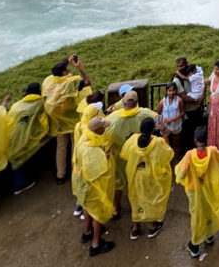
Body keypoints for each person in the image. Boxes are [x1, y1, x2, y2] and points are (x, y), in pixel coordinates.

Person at [175, 125, 219, 258]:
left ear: (195, 140)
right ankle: (209, 236)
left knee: (196, 216)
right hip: (208, 188)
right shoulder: (212, 151)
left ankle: (194, 246)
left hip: (193, 191)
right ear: (207, 139)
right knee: (208, 211)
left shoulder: (189, 155)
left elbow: (181, 174)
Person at [105, 90, 157, 219]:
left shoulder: (113, 118)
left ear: (123, 102)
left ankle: (116, 208)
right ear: (137, 101)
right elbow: (160, 121)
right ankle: (140, 208)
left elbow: (102, 134)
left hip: (119, 155)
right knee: (138, 181)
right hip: (139, 155)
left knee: (118, 182)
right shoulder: (145, 114)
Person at [120, 117, 174, 240]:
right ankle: (152, 226)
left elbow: (124, 155)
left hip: (135, 176)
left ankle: (135, 228)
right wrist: (165, 134)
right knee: (151, 199)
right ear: (153, 129)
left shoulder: (133, 141)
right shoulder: (158, 143)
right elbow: (169, 154)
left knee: (136, 199)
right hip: (151, 177)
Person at [42, 55, 92, 184]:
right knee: (75, 146)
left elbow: (58, 75)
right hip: (72, 118)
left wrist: (67, 65)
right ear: (65, 72)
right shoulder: (71, 83)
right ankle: (76, 172)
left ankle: (61, 175)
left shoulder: (49, 81)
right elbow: (88, 82)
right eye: (66, 69)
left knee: (61, 147)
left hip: (57, 120)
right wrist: (80, 69)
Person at [73, 116, 115, 256]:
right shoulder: (92, 151)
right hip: (92, 186)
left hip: (81, 184)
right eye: (103, 128)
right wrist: (106, 158)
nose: (105, 129)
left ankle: (87, 231)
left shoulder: (85, 138)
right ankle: (95, 244)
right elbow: (98, 172)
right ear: (97, 130)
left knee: (88, 207)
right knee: (98, 212)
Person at [6, 82, 50, 194]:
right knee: (20, 157)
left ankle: (19, 182)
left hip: (9, 137)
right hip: (25, 139)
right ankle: (20, 185)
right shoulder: (40, 103)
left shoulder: (17, 105)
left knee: (15, 159)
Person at [172, 57, 205, 150]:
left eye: (182, 65)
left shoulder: (193, 72)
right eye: (178, 67)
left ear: (187, 64)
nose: (180, 68)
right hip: (188, 111)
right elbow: (183, 97)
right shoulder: (177, 80)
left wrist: (202, 97)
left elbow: (202, 84)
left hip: (198, 109)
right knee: (189, 133)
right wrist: (197, 100)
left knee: (199, 132)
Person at [157, 82, 184, 160]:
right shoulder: (162, 102)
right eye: (169, 90)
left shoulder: (179, 100)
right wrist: (162, 123)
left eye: (173, 90)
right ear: (166, 91)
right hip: (165, 126)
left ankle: (176, 159)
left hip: (176, 124)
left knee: (176, 144)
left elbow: (182, 112)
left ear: (176, 91)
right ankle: (167, 160)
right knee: (166, 144)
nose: (171, 92)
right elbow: (158, 114)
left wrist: (173, 119)